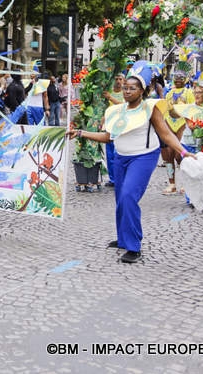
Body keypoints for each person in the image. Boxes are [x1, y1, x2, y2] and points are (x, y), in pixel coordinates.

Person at [69, 61, 196, 263]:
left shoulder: (151, 108)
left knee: (129, 196)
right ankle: (123, 238)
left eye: (132, 88)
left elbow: (165, 133)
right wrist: (81, 133)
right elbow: (108, 137)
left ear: (142, 90)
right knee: (121, 199)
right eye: (126, 88)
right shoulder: (117, 111)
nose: (127, 91)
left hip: (143, 157)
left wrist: (183, 151)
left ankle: (133, 246)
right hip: (121, 157)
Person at [161, 72, 195, 194]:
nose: (178, 80)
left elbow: (192, 109)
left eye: (181, 78)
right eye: (176, 78)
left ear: (185, 79)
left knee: (180, 156)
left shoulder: (189, 93)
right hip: (169, 124)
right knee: (169, 156)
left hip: (183, 124)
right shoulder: (169, 93)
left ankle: (185, 183)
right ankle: (172, 183)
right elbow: (164, 110)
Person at [102, 74, 125, 188]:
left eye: (120, 79)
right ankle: (112, 179)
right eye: (116, 79)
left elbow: (124, 106)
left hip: (121, 126)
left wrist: (110, 98)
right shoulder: (109, 92)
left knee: (119, 153)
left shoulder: (125, 93)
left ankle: (120, 177)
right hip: (110, 125)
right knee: (110, 153)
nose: (118, 81)